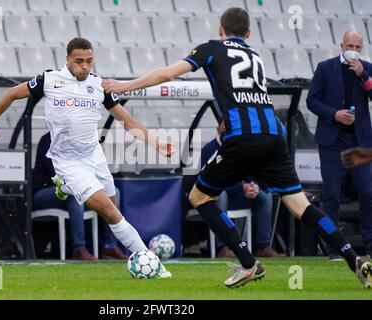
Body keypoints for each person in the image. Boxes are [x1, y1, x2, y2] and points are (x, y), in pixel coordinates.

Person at [103, 7, 372, 288]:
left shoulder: (211, 49)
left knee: (199, 196)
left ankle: (247, 262)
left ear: (220, 31)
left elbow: (168, 73)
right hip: (273, 136)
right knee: (300, 204)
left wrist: (124, 86)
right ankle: (354, 258)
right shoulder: (256, 56)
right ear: (249, 33)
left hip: (242, 138)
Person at [0, 37, 174, 278]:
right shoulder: (49, 80)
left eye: (90, 61)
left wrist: (155, 142)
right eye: (79, 61)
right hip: (67, 162)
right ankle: (153, 264)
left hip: (95, 157)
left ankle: (64, 188)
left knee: (113, 209)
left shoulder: (99, 86)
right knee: (110, 211)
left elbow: (127, 121)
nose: (85, 66)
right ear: (68, 60)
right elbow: (11, 94)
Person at [307, 29, 372, 260]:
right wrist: (334, 114)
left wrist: (363, 76)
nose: (353, 51)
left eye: (357, 47)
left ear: (361, 48)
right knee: (331, 193)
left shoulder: (367, 68)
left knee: (368, 191)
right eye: (350, 46)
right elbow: (312, 100)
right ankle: (334, 248)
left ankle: (370, 245)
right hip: (331, 140)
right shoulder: (326, 68)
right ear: (341, 45)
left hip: (359, 140)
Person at [33, 132, 128, 260]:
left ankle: (109, 245)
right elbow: (59, 174)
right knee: (75, 193)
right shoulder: (48, 140)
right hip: (44, 192)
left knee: (114, 191)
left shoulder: (79, 139)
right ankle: (79, 248)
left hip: (74, 186)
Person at [200, 122, 281, 258]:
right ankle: (223, 247)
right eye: (224, 130)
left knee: (264, 197)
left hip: (239, 196)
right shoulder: (209, 150)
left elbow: (252, 171)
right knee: (221, 195)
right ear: (218, 129)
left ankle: (263, 246)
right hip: (220, 195)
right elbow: (211, 180)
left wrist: (253, 186)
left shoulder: (242, 147)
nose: (227, 133)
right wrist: (240, 187)